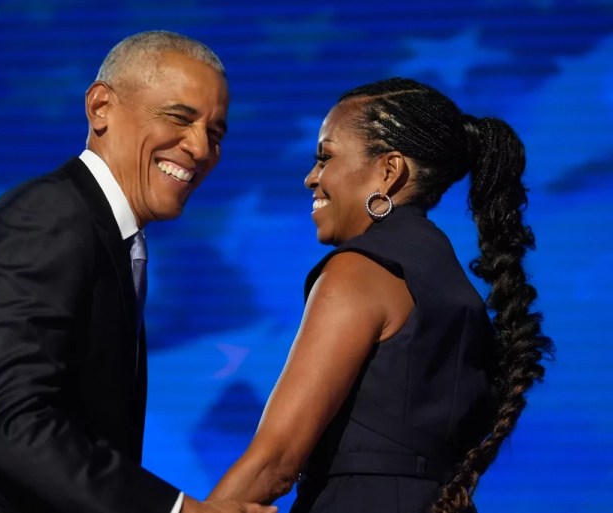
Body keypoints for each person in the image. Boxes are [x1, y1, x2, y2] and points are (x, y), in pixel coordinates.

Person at [0, 30, 276, 513]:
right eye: (180, 117)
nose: (200, 148)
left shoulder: (101, 233)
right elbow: (13, 426)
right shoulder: (49, 219)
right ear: (100, 108)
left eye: (215, 133)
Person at [207, 77, 553, 512]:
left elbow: (275, 462)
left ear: (389, 171)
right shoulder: (451, 284)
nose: (311, 177)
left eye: (325, 157)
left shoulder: (359, 271)